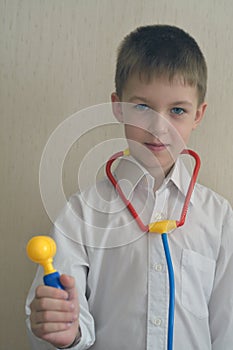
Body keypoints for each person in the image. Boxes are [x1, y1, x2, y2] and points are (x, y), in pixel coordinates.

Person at [26, 25, 233, 350]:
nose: (159, 127)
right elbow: (60, 322)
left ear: (198, 115)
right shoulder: (81, 214)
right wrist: (65, 331)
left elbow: (226, 328)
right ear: (118, 106)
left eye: (177, 110)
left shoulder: (219, 218)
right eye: (142, 108)